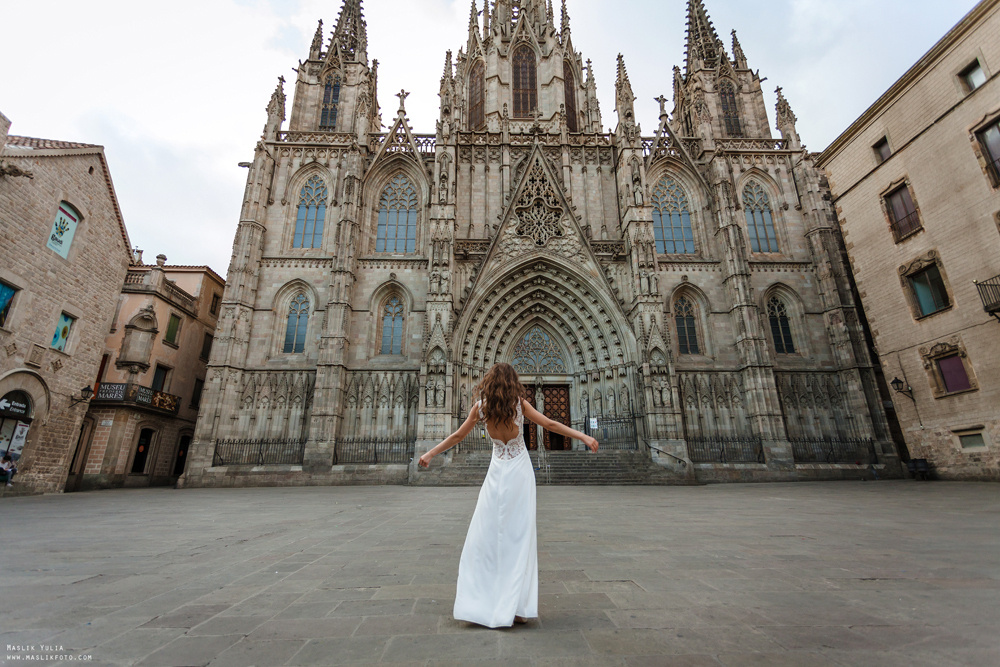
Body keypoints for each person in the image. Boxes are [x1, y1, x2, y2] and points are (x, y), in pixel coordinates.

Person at [418, 363, 599, 628]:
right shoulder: (519, 405)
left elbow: (457, 436)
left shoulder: (481, 408)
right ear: (512, 383)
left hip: (496, 474)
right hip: (519, 473)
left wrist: (430, 453)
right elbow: (550, 424)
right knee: (519, 537)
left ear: (489, 383)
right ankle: (518, 607)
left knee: (488, 534)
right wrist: (582, 436)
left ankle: (485, 599)